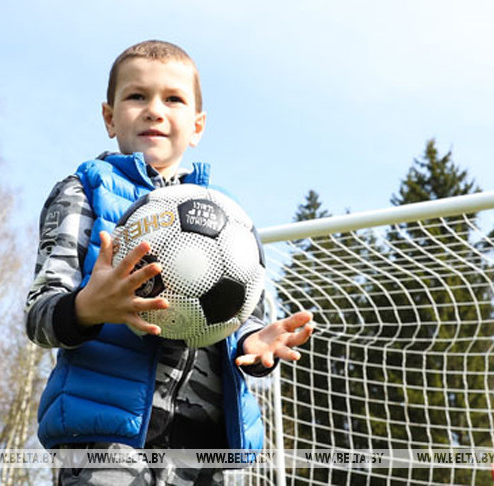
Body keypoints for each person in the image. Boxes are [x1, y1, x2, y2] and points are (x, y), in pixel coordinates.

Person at [25, 39, 314, 485]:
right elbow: (40, 314)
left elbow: (243, 321)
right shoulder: (83, 191)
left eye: (173, 99)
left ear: (197, 125)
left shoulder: (229, 216)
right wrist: (87, 309)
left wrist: (257, 347)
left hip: (204, 449)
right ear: (109, 116)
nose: (154, 110)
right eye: (137, 96)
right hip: (104, 443)